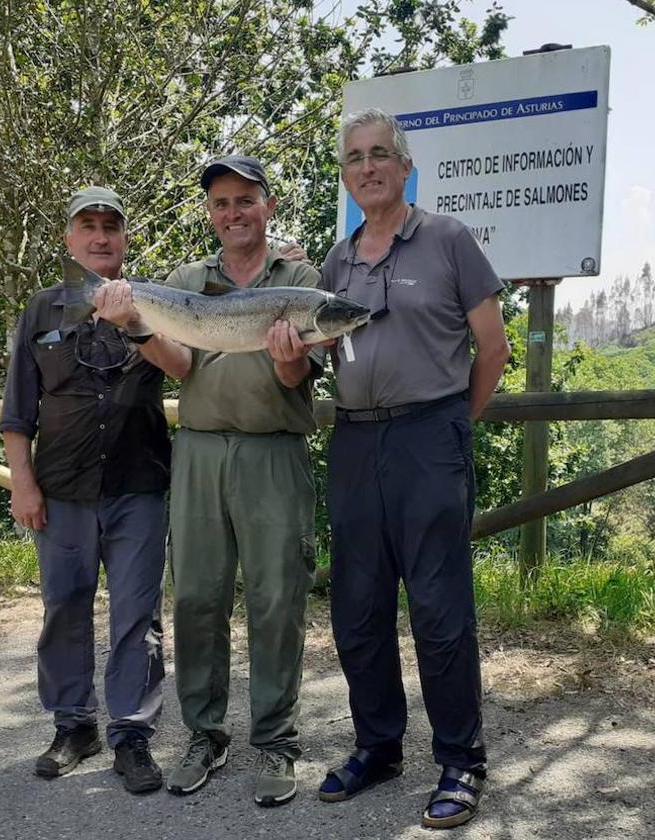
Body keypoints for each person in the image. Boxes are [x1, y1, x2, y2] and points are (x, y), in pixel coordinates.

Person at [316, 109, 511, 829]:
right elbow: (314, 359)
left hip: (431, 436)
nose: (367, 167)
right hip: (355, 443)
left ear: (404, 167)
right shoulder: (337, 263)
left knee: (439, 611)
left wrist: (457, 422)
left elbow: (491, 348)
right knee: (358, 609)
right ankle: (379, 746)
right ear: (346, 173)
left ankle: (461, 759)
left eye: (380, 155)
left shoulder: (448, 240)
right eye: (355, 158)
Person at [0, 186, 192, 794]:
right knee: (64, 608)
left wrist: (135, 321)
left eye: (112, 225)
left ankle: (132, 737)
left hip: (139, 485)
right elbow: (16, 410)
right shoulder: (41, 309)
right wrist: (22, 485)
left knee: (138, 615)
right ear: (70, 238)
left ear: (125, 239)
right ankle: (73, 726)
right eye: (89, 225)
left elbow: (186, 365)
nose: (101, 235)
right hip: (61, 490)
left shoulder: (155, 302)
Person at [161, 155, 323, 808]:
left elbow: (297, 379)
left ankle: (277, 742)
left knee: (277, 601)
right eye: (221, 202)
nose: (233, 213)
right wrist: (137, 325)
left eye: (245, 200)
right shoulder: (185, 281)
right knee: (196, 599)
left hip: (273, 455)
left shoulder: (302, 278)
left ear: (269, 205)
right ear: (211, 212)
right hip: (198, 452)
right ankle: (205, 735)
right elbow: (178, 366)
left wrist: (289, 360)